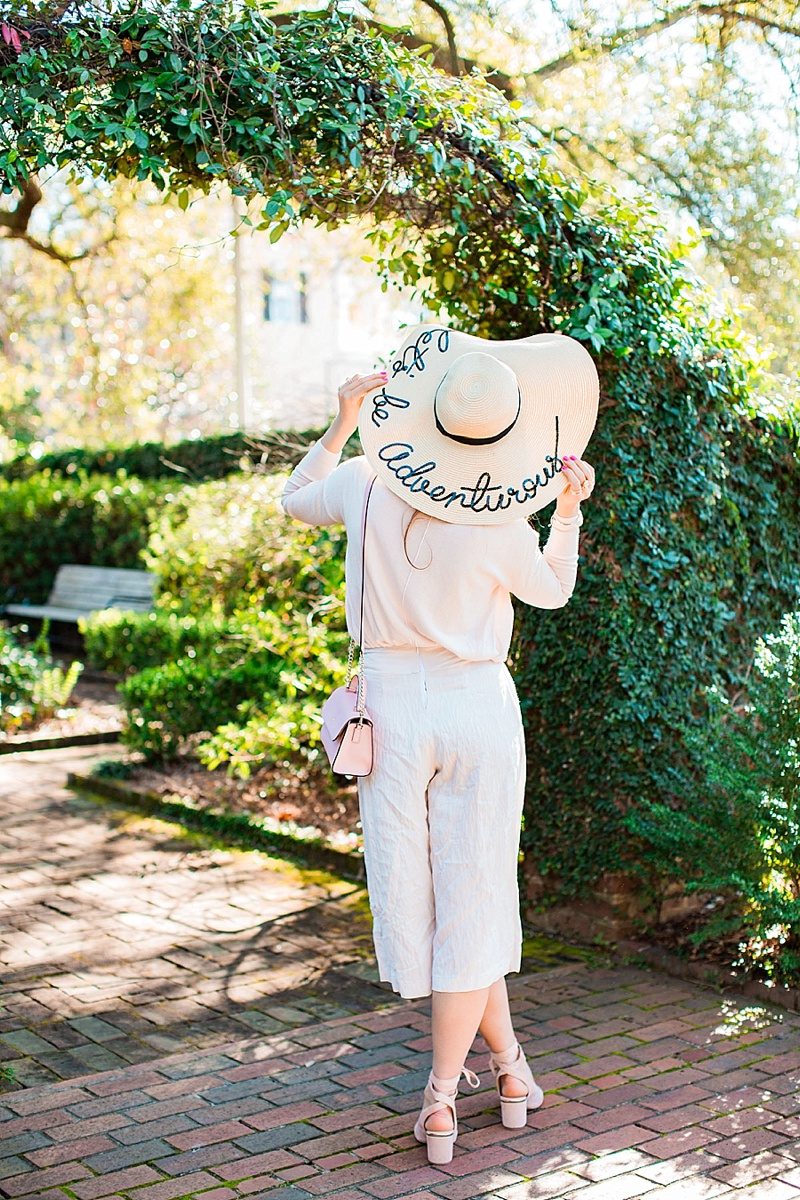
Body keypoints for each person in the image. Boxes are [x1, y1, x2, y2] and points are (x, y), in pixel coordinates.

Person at [280, 323, 599, 1164]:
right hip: (477, 709)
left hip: (389, 708)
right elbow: (556, 590)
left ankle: (508, 1072)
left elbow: (292, 496)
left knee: (420, 898)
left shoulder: (363, 483)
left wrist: (344, 418)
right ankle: (444, 1098)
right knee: (476, 897)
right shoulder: (503, 520)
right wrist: (566, 510)